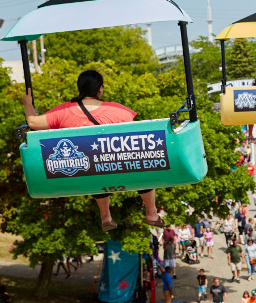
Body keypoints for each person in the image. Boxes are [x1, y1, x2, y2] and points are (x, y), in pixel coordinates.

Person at [22, 70, 165, 231]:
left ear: (80, 88)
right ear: (100, 88)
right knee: (140, 169)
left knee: (95, 167)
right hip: (119, 168)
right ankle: (151, 213)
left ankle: (106, 216)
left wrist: (28, 103)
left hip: (82, 173)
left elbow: (32, 122)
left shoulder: (63, 111)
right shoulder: (119, 110)